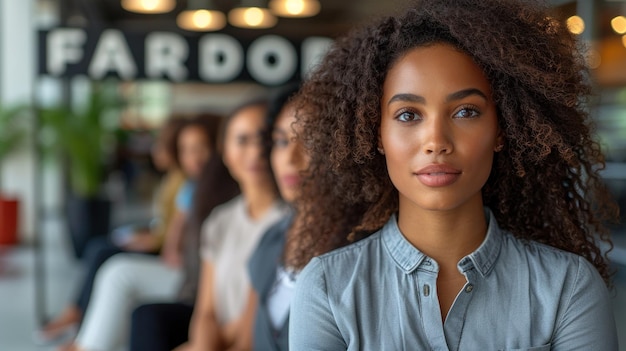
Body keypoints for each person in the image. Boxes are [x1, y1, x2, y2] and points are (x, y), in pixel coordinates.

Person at [288, 0, 620, 350]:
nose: (436, 142)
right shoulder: (327, 287)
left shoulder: (567, 288)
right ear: (377, 134)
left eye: (465, 111)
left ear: (501, 129)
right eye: (407, 115)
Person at [129, 98, 287, 351]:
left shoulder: (288, 223)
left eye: (265, 139)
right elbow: (206, 312)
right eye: (242, 140)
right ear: (223, 151)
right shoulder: (219, 220)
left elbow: (249, 329)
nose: (255, 151)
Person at [59, 114, 224, 351]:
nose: (193, 157)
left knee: (114, 267)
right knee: (108, 260)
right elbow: (174, 228)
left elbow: (178, 231)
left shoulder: (211, 192)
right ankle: (81, 333)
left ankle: (83, 338)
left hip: (193, 278)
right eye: (186, 149)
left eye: (200, 148)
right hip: (186, 269)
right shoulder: (192, 186)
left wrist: (164, 245)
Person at [35, 118, 186, 344]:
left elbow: (173, 236)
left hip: (164, 252)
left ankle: (78, 318)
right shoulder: (173, 180)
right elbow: (166, 224)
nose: (155, 151)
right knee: (101, 247)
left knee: (105, 255)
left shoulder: (185, 184)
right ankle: (77, 317)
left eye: (160, 145)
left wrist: (149, 240)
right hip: (159, 241)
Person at [247, 83, 308, 351]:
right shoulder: (272, 237)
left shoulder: (360, 250)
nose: (290, 158)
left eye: (310, 141)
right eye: (281, 141)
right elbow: (243, 339)